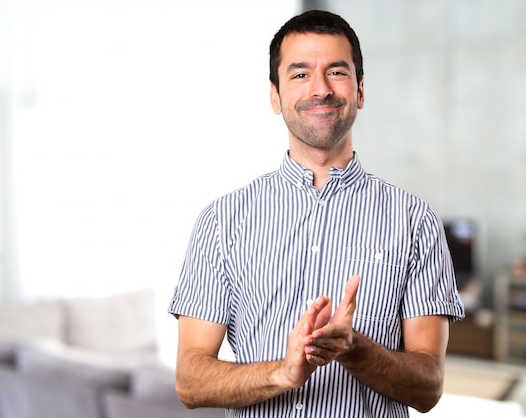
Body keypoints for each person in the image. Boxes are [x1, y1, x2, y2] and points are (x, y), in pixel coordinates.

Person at [168, 9, 464, 418]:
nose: (320, 89)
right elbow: (190, 381)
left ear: (360, 91)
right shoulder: (222, 222)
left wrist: (354, 350)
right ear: (275, 96)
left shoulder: (414, 221)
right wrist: (281, 374)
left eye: (337, 72)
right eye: (300, 74)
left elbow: (429, 387)